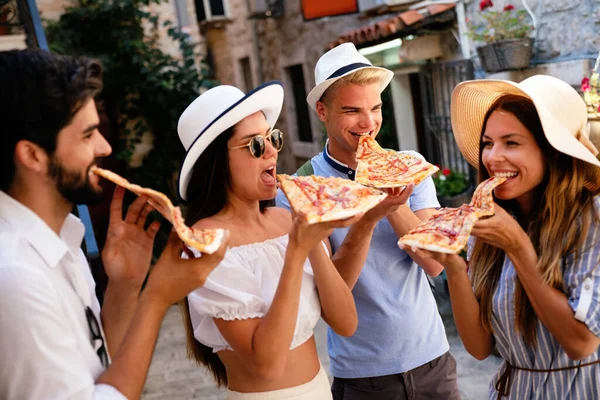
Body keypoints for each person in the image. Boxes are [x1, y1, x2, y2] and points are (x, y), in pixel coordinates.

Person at [0, 49, 228, 399]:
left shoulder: (61, 239)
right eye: (88, 135)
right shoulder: (15, 278)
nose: (105, 147)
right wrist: (156, 298)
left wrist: (126, 286)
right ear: (33, 155)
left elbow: (98, 363)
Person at [276, 42, 460, 399]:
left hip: (433, 361)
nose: (368, 123)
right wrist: (369, 217)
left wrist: (389, 195)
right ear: (322, 111)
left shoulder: (408, 165)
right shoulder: (300, 188)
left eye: (375, 108)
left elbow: (434, 263)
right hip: (363, 376)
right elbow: (333, 296)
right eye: (351, 111)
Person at [404, 75, 600, 399]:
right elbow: (480, 347)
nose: (493, 158)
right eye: (487, 143)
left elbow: (581, 343)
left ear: (551, 152)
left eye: (512, 142)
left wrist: (517, 245)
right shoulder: (489, 222)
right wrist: (454, 265)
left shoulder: (590, 221)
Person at [176, 82, 364, 399]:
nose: (272, 151)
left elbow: (346, 323)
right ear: (216, 162)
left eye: (272, 138)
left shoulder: (285, 218)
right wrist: (297, 250)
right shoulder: (203, 243)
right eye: (254, 145)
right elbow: (266, 365)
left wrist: (313, 237)